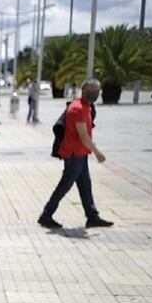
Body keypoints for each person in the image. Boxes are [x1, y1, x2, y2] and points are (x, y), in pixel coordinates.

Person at [38, 79, 114, 230]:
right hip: (74, 154)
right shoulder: (78, 109)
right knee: (64, 185)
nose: (96, 94)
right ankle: (46, 215)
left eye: (98, 91)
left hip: (80, 153)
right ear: (84, 90)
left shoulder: (86, 107)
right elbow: (83, 136)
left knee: (85, 185)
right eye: (93, 91)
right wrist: (97, 153)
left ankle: (92, 216)